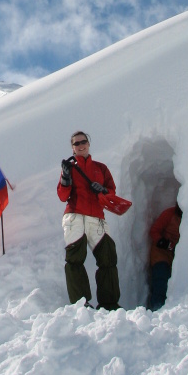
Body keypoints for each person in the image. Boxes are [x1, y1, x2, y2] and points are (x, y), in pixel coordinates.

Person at [57, 130, 121, 310]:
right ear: (72, 148)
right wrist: (66, 178)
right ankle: (80, 305)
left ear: (89, 143)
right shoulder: (68, 168)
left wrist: (102, 189)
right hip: (75, 216)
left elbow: (112, 193)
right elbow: (63, 196)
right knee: (74, 260)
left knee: (108, 258)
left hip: (96, 218)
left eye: (83, 141)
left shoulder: (100, 168)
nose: (80, 145)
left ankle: (110, 304)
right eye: (76, 143)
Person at [147, 202, 182, 311]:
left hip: (176, 255)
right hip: (161, 252)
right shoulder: (169, 214)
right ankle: (156, 307)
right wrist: (161, 241)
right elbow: (154, 230)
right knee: (161, 278)